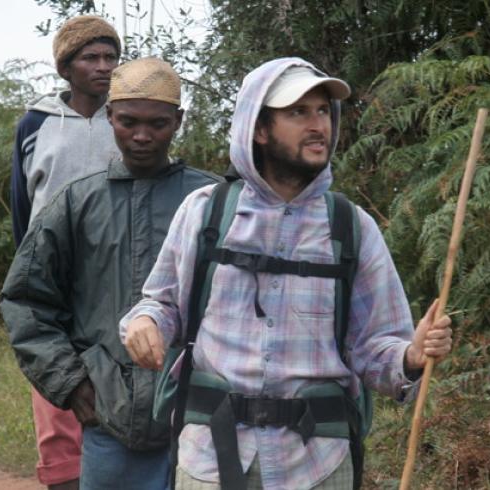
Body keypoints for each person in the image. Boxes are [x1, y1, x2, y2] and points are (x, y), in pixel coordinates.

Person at [120, 57, 454, 490]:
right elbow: (162, 304)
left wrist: (411, 356)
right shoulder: (206, 211)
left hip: (319, 465)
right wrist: (144, 323)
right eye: (298, 112)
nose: (318, 125)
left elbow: (376, 348)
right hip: (211, 461)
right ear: (258, 129)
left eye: (322, 112)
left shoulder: (351, 227)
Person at [1, 57, 221, 490]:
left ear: (178, 120)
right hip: (109, 421)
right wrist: (72, 384)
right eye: (128, 122)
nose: (141, 136)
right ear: (109, 117)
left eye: (157, 123)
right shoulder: (76, 203)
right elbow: (25, 299)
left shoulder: (213, 201)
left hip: (202, 423)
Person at [8, 15, 121, 490]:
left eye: (110, 57)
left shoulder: (127, 117)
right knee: (55, 381)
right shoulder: (36, 124)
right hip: (52, 275)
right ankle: (63, 478)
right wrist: (30, 272)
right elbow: (22, 207)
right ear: (66, 67)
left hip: (114, 273)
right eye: (90, 58)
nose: (103, 67)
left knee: (110, 386)